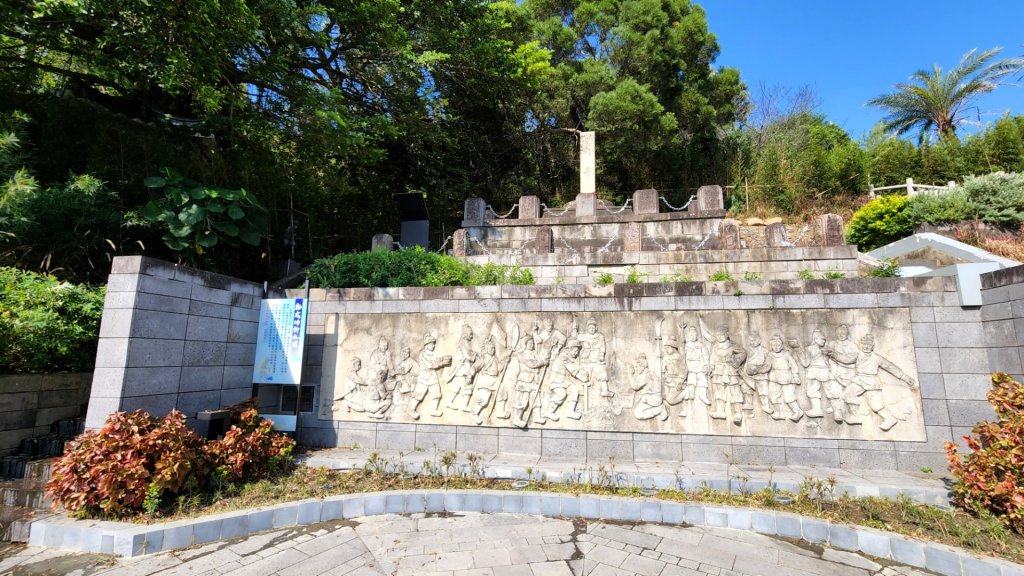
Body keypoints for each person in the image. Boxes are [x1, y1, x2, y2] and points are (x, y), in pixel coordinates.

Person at [849, 333, 916, 431]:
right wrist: (832, 354)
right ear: (861, 345)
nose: (866, 346)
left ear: (872, 346)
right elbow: (846, 359)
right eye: (864, 344)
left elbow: (890, 367)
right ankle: (855, 416)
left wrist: (905, 377)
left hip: (871, 382)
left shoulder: (876, 358)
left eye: (869, 344)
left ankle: (890, 418)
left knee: (876, 405)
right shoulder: (858, 355)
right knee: (848, 394)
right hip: (859, 380)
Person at [708, 326, 747, 425]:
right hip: (718, 370)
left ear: (726, 335)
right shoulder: (715, 346)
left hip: (730, 370)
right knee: (719, 390)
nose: (719, 337)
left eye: (721, 335)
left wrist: (737, 361)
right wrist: (711, 367)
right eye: (717, 335)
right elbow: (712, 357)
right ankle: (720, 411)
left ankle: (738, 413)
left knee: (735, 390)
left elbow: (743, 353)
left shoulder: (732, 345)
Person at [409, 333, 452, 419]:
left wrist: (444, 358)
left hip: (432, 377)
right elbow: (430, 365)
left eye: (434, 344)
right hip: (424, 378)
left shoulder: (433, 354)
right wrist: (442, 363)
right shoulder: (423, 354)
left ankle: (434, 410)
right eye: (432, 344)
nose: (433, 346)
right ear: (427, 345)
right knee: (418, 395)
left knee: (436, 393)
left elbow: (436, 360)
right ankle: (411, 409)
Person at [824, 324, 860, 424]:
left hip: (849, 371)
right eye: (839, 333)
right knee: (833, 390)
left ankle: (852, 413)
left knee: (848, 393)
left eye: (843, 333)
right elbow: (827, 355)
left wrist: (836, 356)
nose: (841, 335)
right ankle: (837, 411)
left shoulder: (853, 345)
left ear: (847, 333)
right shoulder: (832, 343)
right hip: (835, 370)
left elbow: (852, 359)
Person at [542, 339, 586, 421]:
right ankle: (548, 411)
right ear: (570, 349)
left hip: (565, 381)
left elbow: (576, 367)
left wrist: (582, 373)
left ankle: (570, 412)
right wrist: (583, 378)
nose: (577, 353)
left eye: (577, 352)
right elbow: (573, 369)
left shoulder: (568, 357)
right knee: (561, 393)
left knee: (574, 390)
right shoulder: (563, 357)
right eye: (575, 351)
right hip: (557, 381)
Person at [511, 336, 549, 428]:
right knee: (521, 400)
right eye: (530, 343)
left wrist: (545, 358)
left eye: (532, 343)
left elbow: (541, 359)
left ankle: (537, 416)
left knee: (536, 399)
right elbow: (531, 364)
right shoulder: (522, 354)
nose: (532, 345)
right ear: (525, 344)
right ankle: (516, 419)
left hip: (534, 379)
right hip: (524, 380)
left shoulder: (535, 353)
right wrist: (543, 362)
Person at [768, 334, 804, 422]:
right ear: (771, 346)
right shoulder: (770, 355)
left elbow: (793, 365)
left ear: (781, 346)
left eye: (778, 345)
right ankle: (779, 412)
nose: (776, 347)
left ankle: (798, 411)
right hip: (775, 377)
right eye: (774, 345)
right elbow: (767, 366)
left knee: (789, 397)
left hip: (786, 377)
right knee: (772, 395)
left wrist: (795, 376)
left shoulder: (786, 354)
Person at [631, 353, 668, 421]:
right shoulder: (648, 373)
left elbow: (635, 386)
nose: (636, 369)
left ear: (643, 366)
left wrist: (630, 374)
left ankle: (660, 409)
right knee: (637, 412)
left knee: (638, 414)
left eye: (637, 367)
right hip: (651, 398)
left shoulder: (645, 375)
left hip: (653, 399)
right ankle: (660, 409)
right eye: (635, 367)